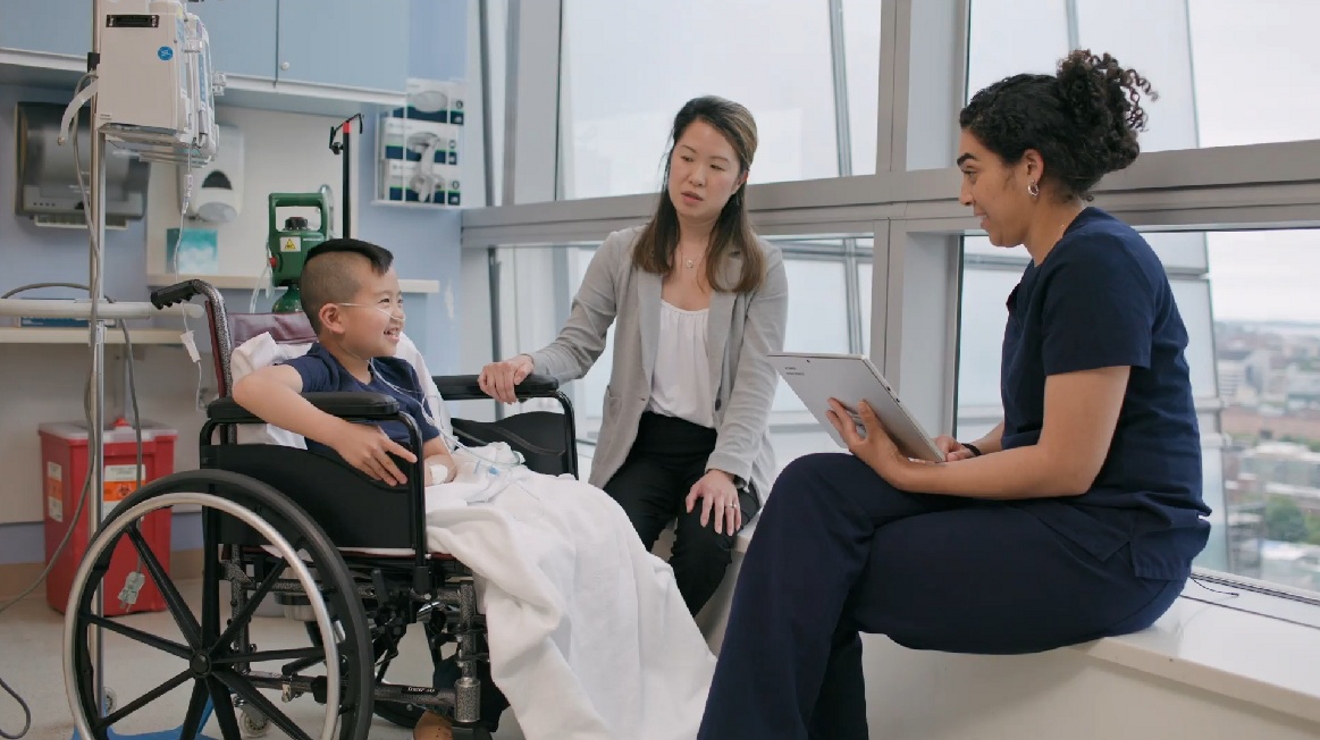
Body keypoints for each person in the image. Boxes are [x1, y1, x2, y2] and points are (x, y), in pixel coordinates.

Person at [696, 50, 1212, 740]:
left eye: (972, 172)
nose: (964, 195)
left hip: (1115, 544)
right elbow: (1037, 420)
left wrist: (909, 470)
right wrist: (967, 451)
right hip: (1064, 514)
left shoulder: (1099, 263)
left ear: (1029, 168)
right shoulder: (1056, 268)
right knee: (813, 488)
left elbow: (1068, 462)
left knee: (814, 570)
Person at [479, 95, 789, 615]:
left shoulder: (762, 267)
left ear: (739, 181)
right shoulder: (624, 251)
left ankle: (664, 664)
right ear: (671, 160)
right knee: (606, 543)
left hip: (722, 449)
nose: (695, 177)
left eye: (716, 166)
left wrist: (725, 471)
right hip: (644, 445)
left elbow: (757, 384)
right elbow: (576, 347)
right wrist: (527, 363)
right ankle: (626, 662)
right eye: (686, 158)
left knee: (705, 548)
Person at [232, 238, 502, 740]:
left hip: (425, 499)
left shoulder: (398, 375)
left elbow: (437, 451)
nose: (398, 313)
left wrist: (436, 476)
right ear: (333, 317)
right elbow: (251, 390)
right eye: (384, 301)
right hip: (370, 516)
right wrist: (340, 432)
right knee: (511, 559)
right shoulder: (321, 372)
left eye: (399, 300)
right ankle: (459, 706)